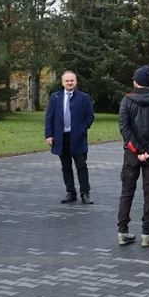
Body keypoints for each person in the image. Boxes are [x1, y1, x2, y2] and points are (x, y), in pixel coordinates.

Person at [117, 66, 149, 247]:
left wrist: (137, 150)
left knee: (126, 193)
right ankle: (146, 234)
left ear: (136, 81)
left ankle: (123, 231)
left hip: (131, 155)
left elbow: (124, 128)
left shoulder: (126, 101)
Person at [45, 71, 95, 204]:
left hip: (78, 138)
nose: (69, 83)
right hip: (61, 138)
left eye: (71, 80)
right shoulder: (55, 97)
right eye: (67, 81)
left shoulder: (84, 97)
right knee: (66, 167)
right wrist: (49, 135)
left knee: (81, 166)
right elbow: (49, 117)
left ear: (76, 81)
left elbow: (90, 116)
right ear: (62, 82)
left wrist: (81, 129)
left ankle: (85, 193)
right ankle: (70, 192)